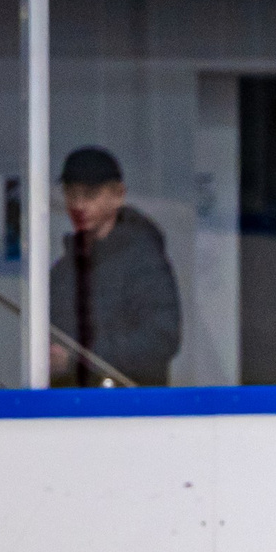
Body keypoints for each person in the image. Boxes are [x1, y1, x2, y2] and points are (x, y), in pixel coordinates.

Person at [48, 146, 181, 386]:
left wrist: (76, 360)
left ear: (118, 195)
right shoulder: (62, 270)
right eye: (71, 194)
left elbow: (161, 338)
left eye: (89, 195)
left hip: (130, 409)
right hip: (70, 407)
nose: (78, 205)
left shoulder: (144, 260)